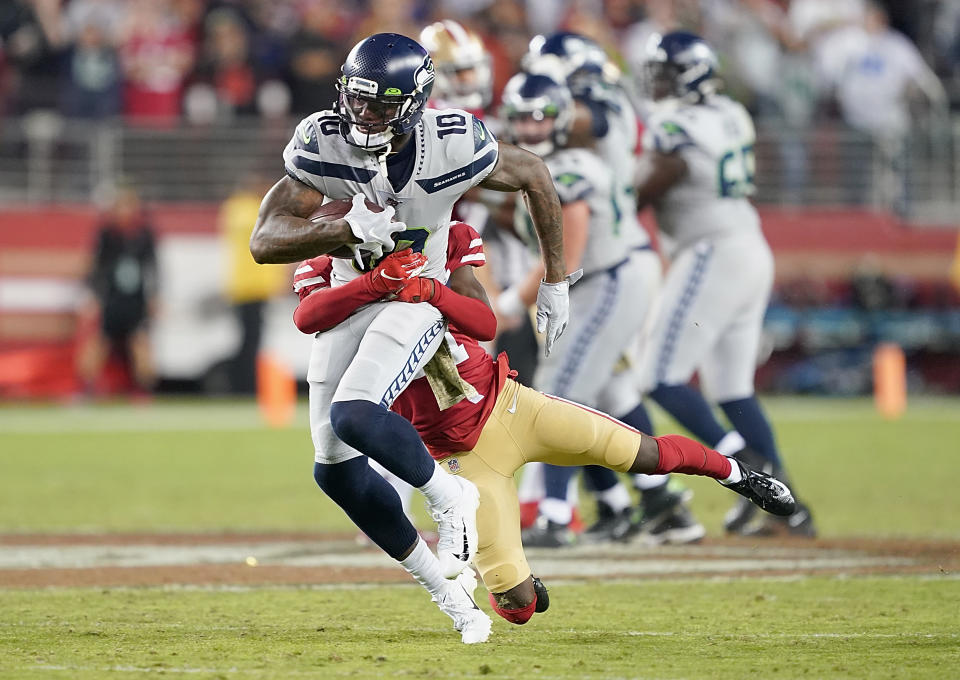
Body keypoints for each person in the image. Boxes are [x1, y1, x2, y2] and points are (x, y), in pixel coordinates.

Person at [292, 220, 797, 626]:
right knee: (517, 608)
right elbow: (310, 317)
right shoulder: (324, 270)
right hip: (461, 458)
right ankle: (522, 582)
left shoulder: (443, 239)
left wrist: (433, 292)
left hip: (514, 407)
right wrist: (372, 285)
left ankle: (740, 475)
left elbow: (485, 323)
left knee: (646, 454)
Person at [250, 34, 572, 642]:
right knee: (334, 473)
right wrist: (341, 230)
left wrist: (554, 281)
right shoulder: (325, 137)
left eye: (379, 105)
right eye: (357, 100)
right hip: (355, 298)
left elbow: (533, 172)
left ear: (414, 103)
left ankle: (451, 497)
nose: (362, 116)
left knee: (355, 414)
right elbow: (264, 241)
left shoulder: (451, 142)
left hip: (414, 300)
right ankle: (449, 594)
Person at [633, 31, 815, 537]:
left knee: (658, 376)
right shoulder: (732, 112)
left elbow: (657, 177)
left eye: (665, 73)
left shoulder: (675, 124)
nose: (657, 82)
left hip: (710, 249)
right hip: (748, 245)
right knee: (733, 389)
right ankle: (790, 509)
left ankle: (754, 479)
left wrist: (617, 195)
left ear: (689, 75)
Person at [76, 182, 158, 397]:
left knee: (141, 344)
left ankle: (143, 392)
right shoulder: (107, 235)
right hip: (112, 299)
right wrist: (93, 296)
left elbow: (154, 267)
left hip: (136, 300)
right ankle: (85, 390)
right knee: (99, 343)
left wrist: (155, 296)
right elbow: (94, 267)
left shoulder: (144, 235)